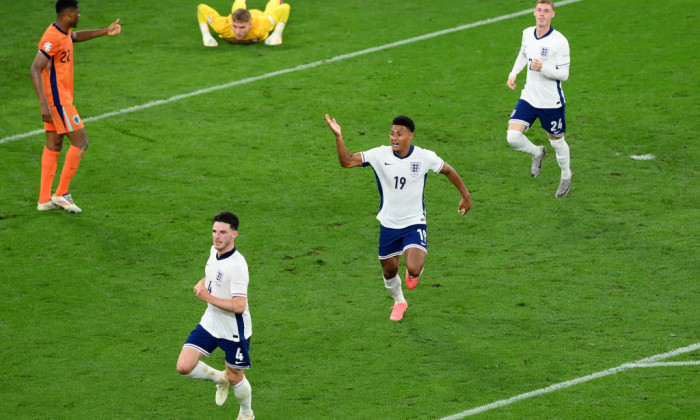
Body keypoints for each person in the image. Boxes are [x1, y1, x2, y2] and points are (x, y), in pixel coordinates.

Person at [325, 114, 472, 321]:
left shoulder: (424, 157)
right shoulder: (379, 155)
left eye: (399, 134)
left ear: (410, 136)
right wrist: (339, 137)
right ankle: (399, 301)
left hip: (414, 222)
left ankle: (413, 274)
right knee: (389, 271)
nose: (394, 137)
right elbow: (347, 162)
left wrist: (466, 195)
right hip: (389, 224)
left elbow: (448, 170)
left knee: (413, 267)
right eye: (392, 133)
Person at [30, 0, 121, 213]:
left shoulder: (63, 32)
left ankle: (44, 200)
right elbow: (35, 68)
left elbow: (76, 36)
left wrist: (105, 31)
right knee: (81, 141)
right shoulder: (52, 38)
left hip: (59, 100)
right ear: (69, 13)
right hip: (58, 102)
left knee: (54, 144)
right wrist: (44, 104)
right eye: (78, 13)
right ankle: (61, 194)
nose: (80, 16)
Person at [176, 211, 254, 420]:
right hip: (211, 322)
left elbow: (239, 306)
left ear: (234, 234)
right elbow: (214, 275)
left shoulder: (237, 266)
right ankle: (219, 379)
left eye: (223, 232)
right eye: (214, 231)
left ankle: (247, 414)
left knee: (236, 377)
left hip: (233, 330)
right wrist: (204, 283)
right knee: (184, 367)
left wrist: (207, 296)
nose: (217, 236)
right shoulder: (214, 251)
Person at [506, 0, 572, 197]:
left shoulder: (559, 41)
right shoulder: (527, 33)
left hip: (551, 102)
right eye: (539, 10)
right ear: (534, 12)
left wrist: (543, 68)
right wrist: (513, 73)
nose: (542, 14)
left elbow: (564, 75)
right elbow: (523, 53)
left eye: (546, 11)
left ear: (552, 14)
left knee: (557, 142)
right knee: (512, 137)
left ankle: (566, 175)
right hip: (529, 96)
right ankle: (537, 152)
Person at [197, 0, 290, 47]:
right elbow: (201, 8)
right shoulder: (222, 26)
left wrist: (277, 34)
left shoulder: (261, 25)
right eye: (235, 27)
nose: (238, 31)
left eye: (242, 28)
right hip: (239, 16)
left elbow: (285, 8)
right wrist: (206, 35)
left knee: (271, 12)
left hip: (259, 16)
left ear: (250, 25)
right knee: (237, 10)